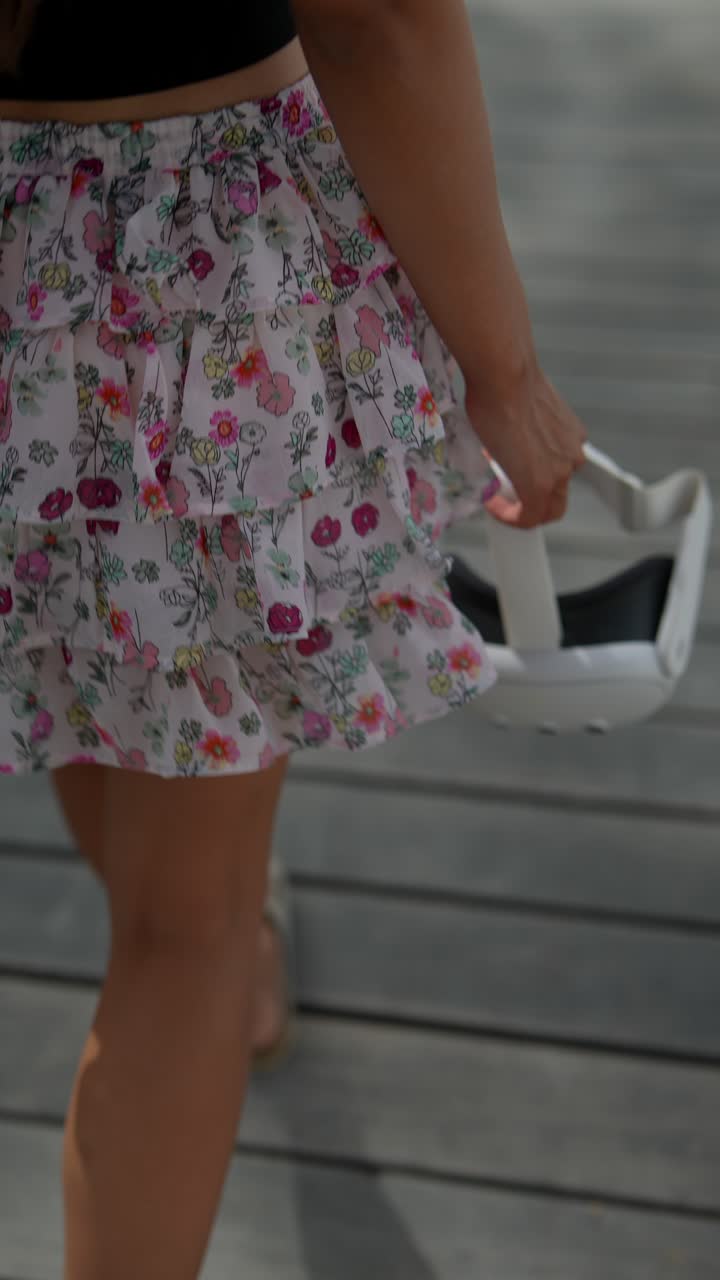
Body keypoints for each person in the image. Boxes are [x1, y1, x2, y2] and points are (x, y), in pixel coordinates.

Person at [0, 1, 587, 1276]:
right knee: (182, 933)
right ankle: (227, 941)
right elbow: (377, 16)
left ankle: (242, 948)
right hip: (182, 265)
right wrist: (508, 370)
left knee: (96, 674)